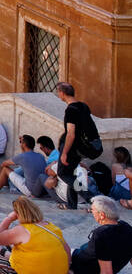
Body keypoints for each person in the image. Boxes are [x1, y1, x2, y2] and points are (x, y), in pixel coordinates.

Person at [0, 197, 69, 274]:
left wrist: (9, 218)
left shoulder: (22, 229)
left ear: (17, 214)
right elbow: (66, 251)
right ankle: (1, 251)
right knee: (19, 247)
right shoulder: (52, 227)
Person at [69, 196, 132, 274]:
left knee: (64, 250)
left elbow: (107, 273)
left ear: (102, 215)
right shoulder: (126, 227)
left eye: (93, 210)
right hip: (91, 261)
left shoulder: (101, 235)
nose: (91, 212)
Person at [56, 81, 102, 209]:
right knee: (71, 173)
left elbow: (71, 134)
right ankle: (72, 205)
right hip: (86, 146)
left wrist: (64, 153)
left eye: (58, 92)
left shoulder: (70, 110)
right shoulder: (83, 106)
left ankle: (91, 198)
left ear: (62, 93)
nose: (58, 94)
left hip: (75, 147)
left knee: (63, 173)